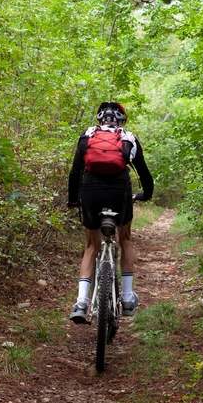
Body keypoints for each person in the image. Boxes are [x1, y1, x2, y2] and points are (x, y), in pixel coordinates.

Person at [67, 102, 154, 323]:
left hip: (90, 190)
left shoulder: (87, 136)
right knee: (124, 239)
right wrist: (146, 194)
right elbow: (144, 173)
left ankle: (81, 302)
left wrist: (73, 200)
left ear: (99, 119)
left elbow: (75, 171)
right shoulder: (128, 138)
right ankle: (126, 297)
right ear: (121, 120)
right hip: (119, 191)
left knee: (91, 246)